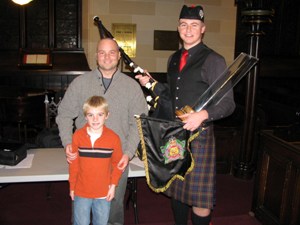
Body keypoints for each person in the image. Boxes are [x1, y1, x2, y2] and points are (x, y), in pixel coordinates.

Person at [135, 5, 235, 225]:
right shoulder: (173, 58)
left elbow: (228, 104)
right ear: (178, 28)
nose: (188, 29)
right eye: (183, 24)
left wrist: (203, 115)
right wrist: (151, 83)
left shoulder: (213, 60)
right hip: (175, 134)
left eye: (194, 25)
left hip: (200, 137)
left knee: (200, 198)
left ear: (203, 29)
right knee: (177, 189)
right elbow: (172, 97)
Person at [56, 38, 148, 225]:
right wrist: (67, 143)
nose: (107, 57)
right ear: (96, 56)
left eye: (112, 52)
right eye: (102, 52)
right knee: (81, 212)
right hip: (84, 160)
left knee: (112, 211)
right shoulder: (80, 83)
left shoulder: (131, 87)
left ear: (119, 56)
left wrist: (128, 153)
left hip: (117, 161)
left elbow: (139, 123)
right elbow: (64, 115)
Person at [69, 95, 123, 225]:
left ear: (107, 115)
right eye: (90, 115)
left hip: (103, 192)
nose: (95, 119)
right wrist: (72, 186)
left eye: (100, 114)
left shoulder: (114, 138)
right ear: (85, 116)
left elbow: (117, 164)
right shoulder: (78, 136)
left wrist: (113, 186)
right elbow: (74, 164)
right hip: (81, 191)